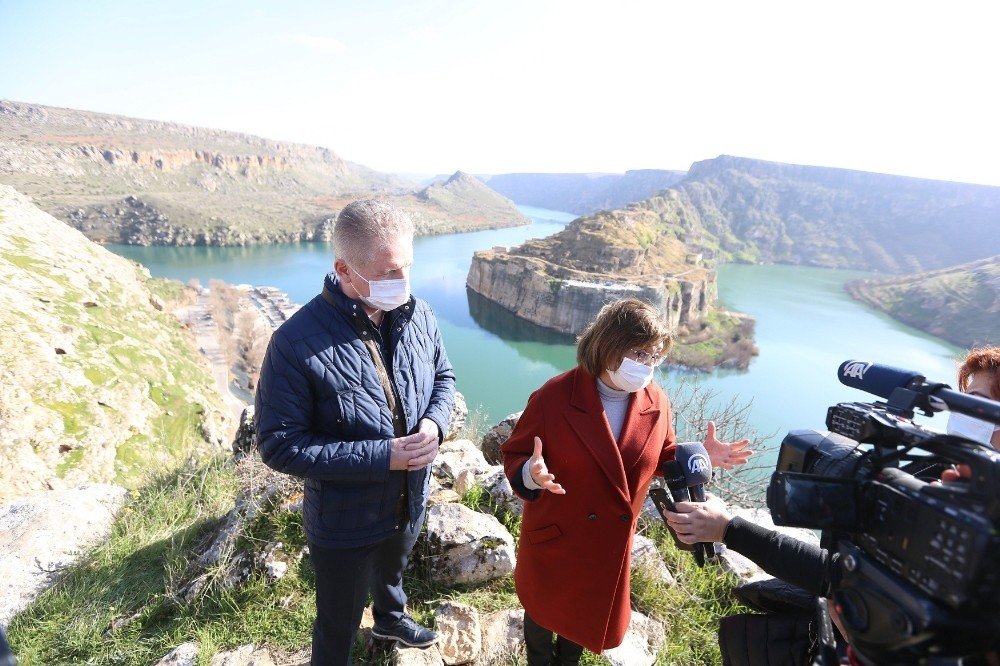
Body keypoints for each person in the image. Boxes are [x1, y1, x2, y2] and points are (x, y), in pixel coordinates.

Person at [663, 347, 1000, 664]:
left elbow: (836, 572)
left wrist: (728, 529)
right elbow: (848, 568)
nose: (963, 415)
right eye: (964, 402)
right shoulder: (932, 472)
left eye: (978, 405)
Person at [255, 199, 456, 666]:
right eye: (389, 273)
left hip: (409, 496)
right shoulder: (295, 343)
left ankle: (390, 618)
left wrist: (434, 422)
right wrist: (385, 456)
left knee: (392, 572)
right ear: (344, 269)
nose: (402, 282)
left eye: (407, 267)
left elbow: (443, 378)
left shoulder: (419, 314)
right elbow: (279, 445)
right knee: (337, 622)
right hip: (344, 521)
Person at [500, 298, 752, 665]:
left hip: (607, 543)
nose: (647, 365)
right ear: (609, 345)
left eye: (654, 356)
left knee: (583, 616)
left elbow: (659, 455)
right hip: (557, 535)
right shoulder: (554, 397)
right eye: (639, 353)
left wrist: (697, 454)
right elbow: (516, 454)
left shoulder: (656, 401)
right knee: (541, 612)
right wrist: (531, 474)